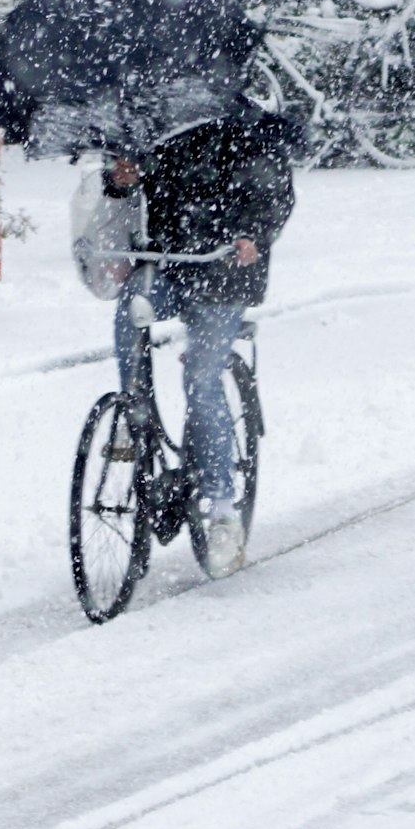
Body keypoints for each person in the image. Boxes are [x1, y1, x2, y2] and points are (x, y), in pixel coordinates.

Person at [105, 105, 295, 578]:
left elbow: (274, 194)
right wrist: (122, 179)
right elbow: (134, 187)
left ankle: (223, 510)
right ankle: (133, 412)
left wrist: (252, 233)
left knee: (201, 380)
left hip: (225, 272)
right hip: (168, 264)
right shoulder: (159, 122)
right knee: (129, 310)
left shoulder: (250, 130)